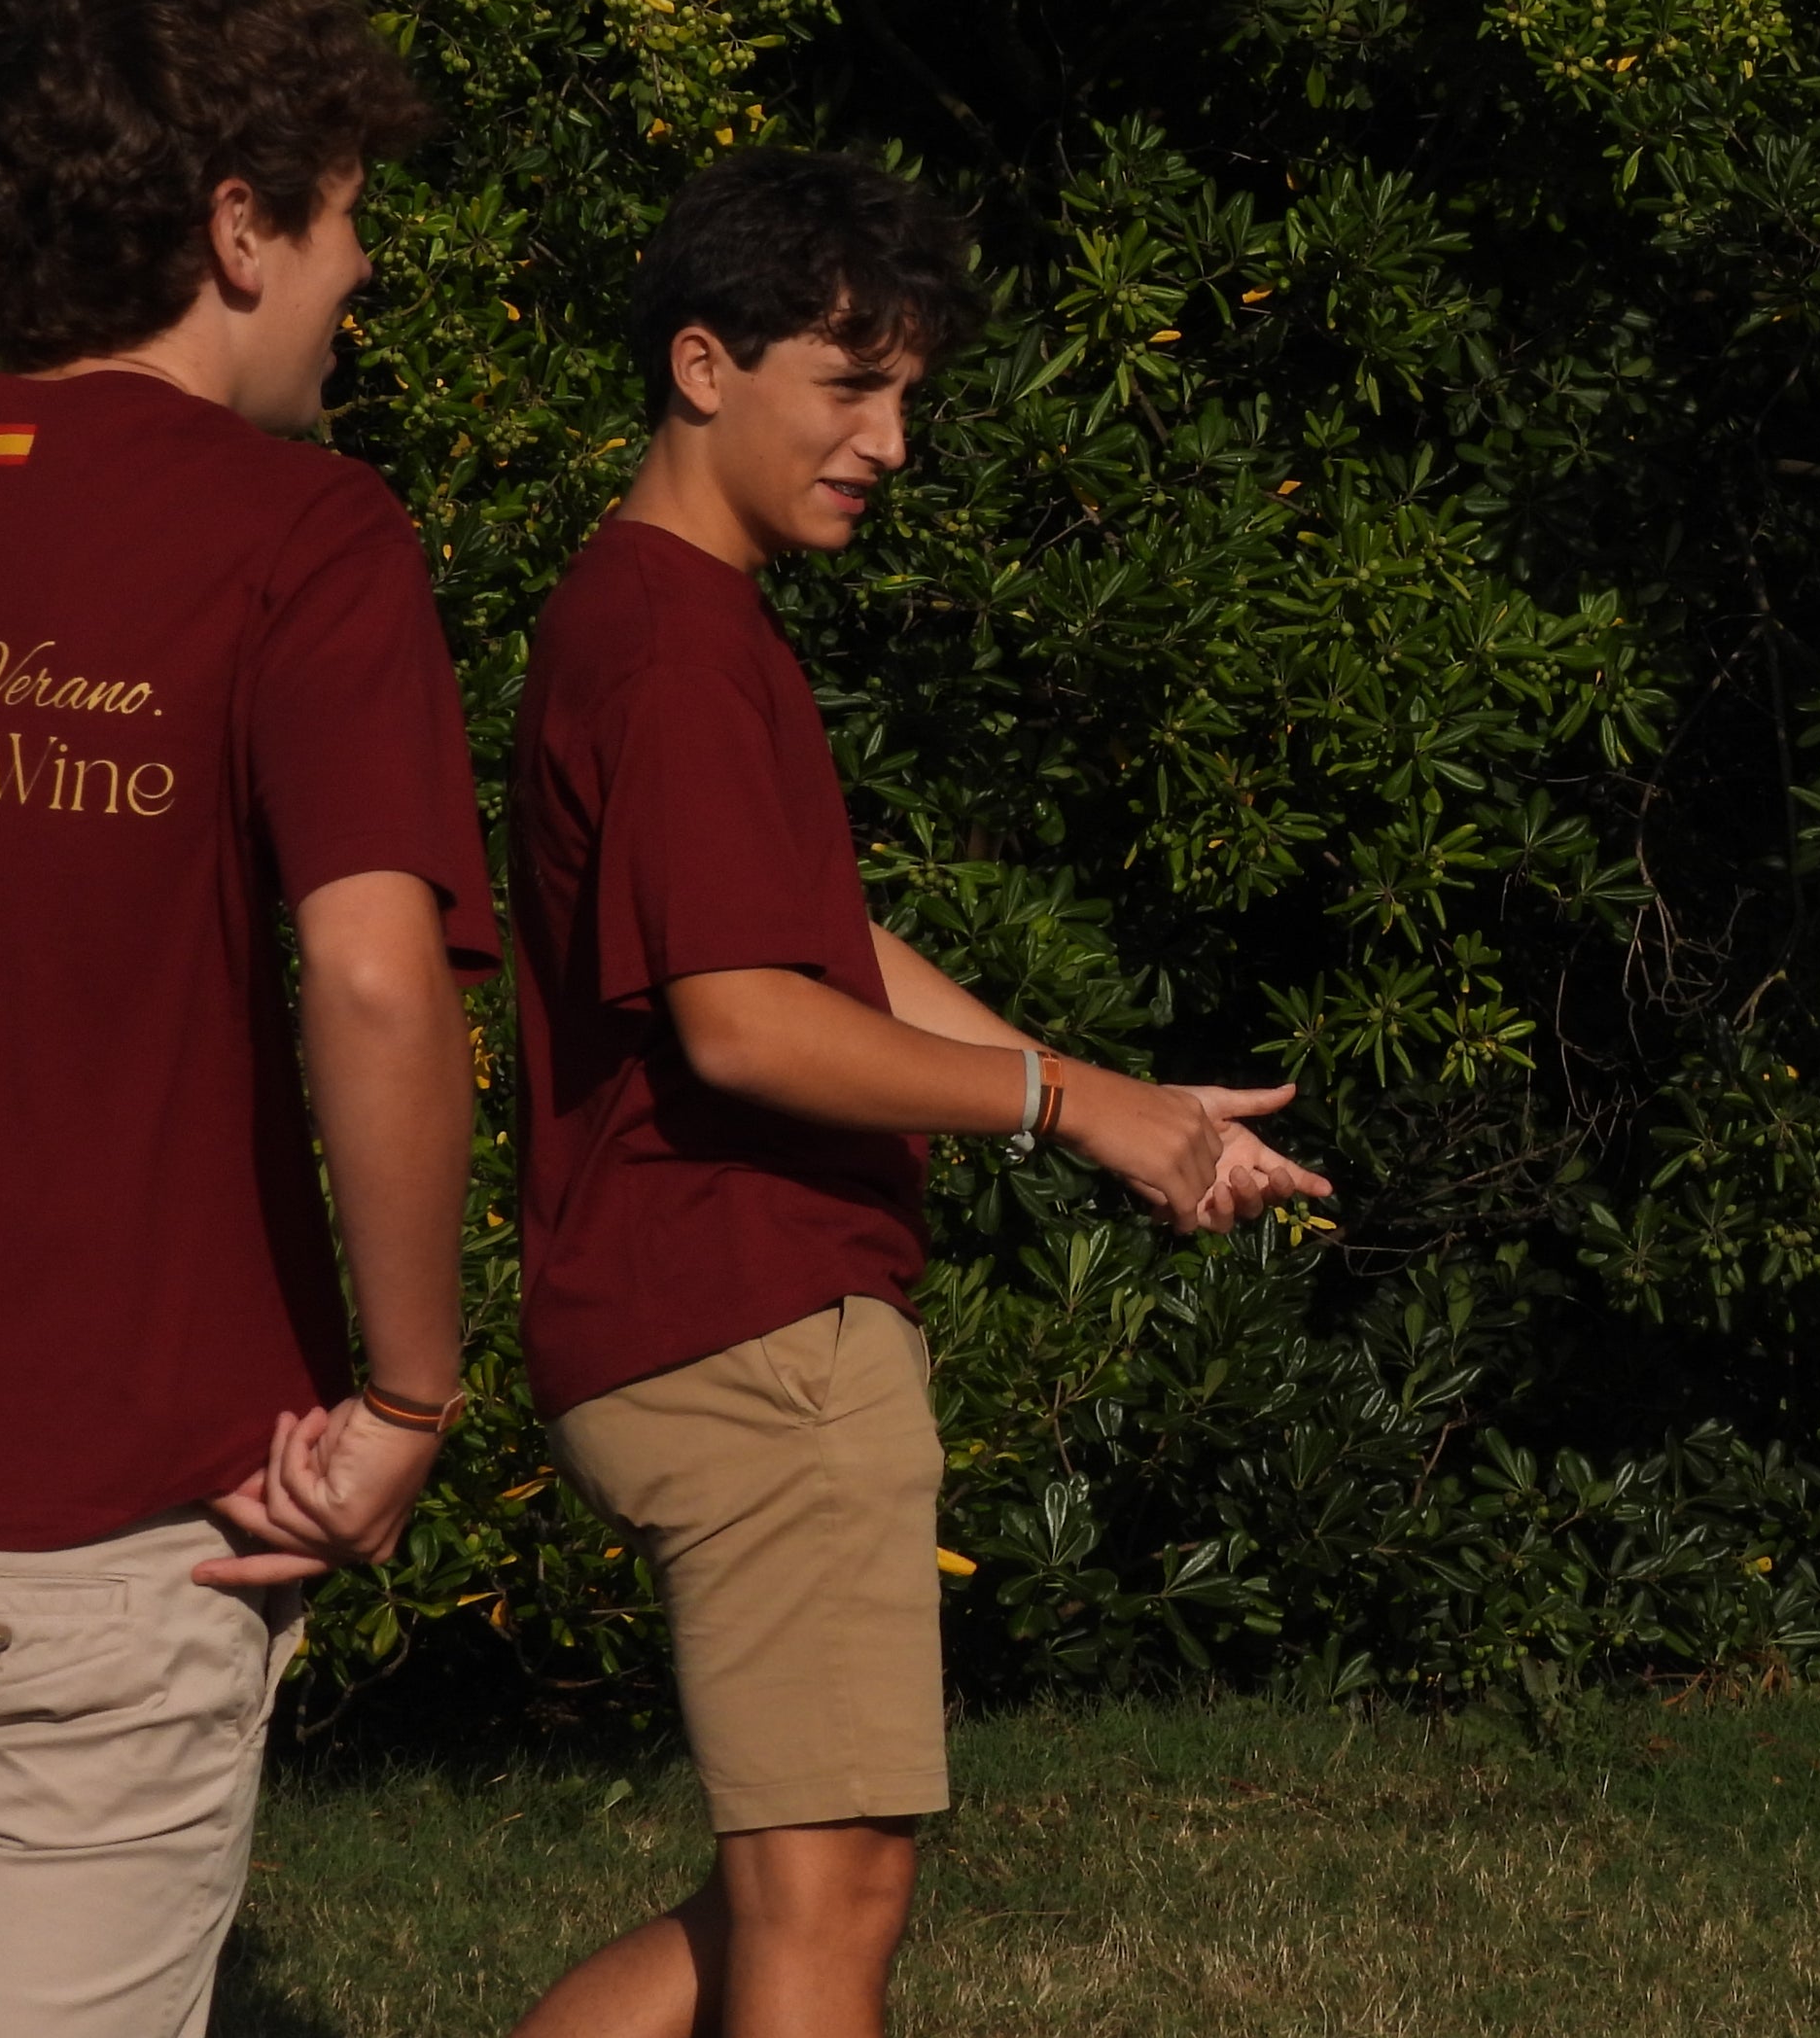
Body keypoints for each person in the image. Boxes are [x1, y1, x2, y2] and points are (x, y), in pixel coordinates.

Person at [0, 0, 499, 2036]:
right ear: (237, 228)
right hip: (89, 1547)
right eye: (342, 223)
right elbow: (381, 981)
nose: (358, 276)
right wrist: (412, 1397)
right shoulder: (306, 542)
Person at [506, 147, 1325, 2038]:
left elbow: (824, 949)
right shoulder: (676, 647)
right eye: (849, 385)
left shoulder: (669, 623)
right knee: (826, 1918)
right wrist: (1065, 1108)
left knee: (787, 1898)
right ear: (704, 366)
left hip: (716, 1314)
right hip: (754, 1328)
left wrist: (1132, 1104)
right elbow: (744, 1024)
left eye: (906, 396)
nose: (886, 441)